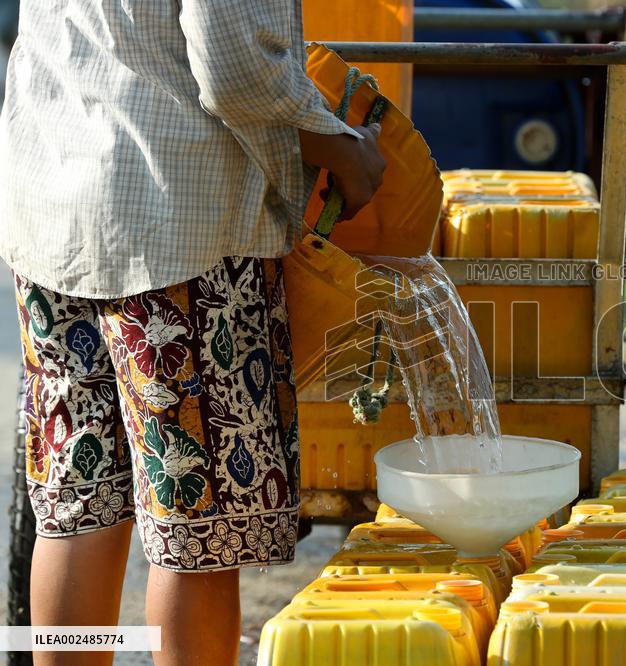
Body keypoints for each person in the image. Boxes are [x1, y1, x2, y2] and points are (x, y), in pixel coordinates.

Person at [0, 2, 385, 664]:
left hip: (52, 198)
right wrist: (342, 146)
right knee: (198, 528)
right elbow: (233, 67)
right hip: (175, 222)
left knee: (79, 507)